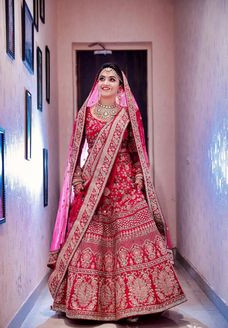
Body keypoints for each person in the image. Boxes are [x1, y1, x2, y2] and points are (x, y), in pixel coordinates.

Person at [47, 63, 186, 322]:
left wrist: (138, 177)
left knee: (130, 243)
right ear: (97, 84)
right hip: (94, 192)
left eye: (112, 79)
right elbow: (75, 154)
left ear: (120, 87)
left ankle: (133, 305)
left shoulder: (127, 115)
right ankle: (87, 306)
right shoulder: (84, 115)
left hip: (125, 190)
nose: (106, 83)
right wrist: (78, 181)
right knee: (93, 245)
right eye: (102, 78)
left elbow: (135, 152)